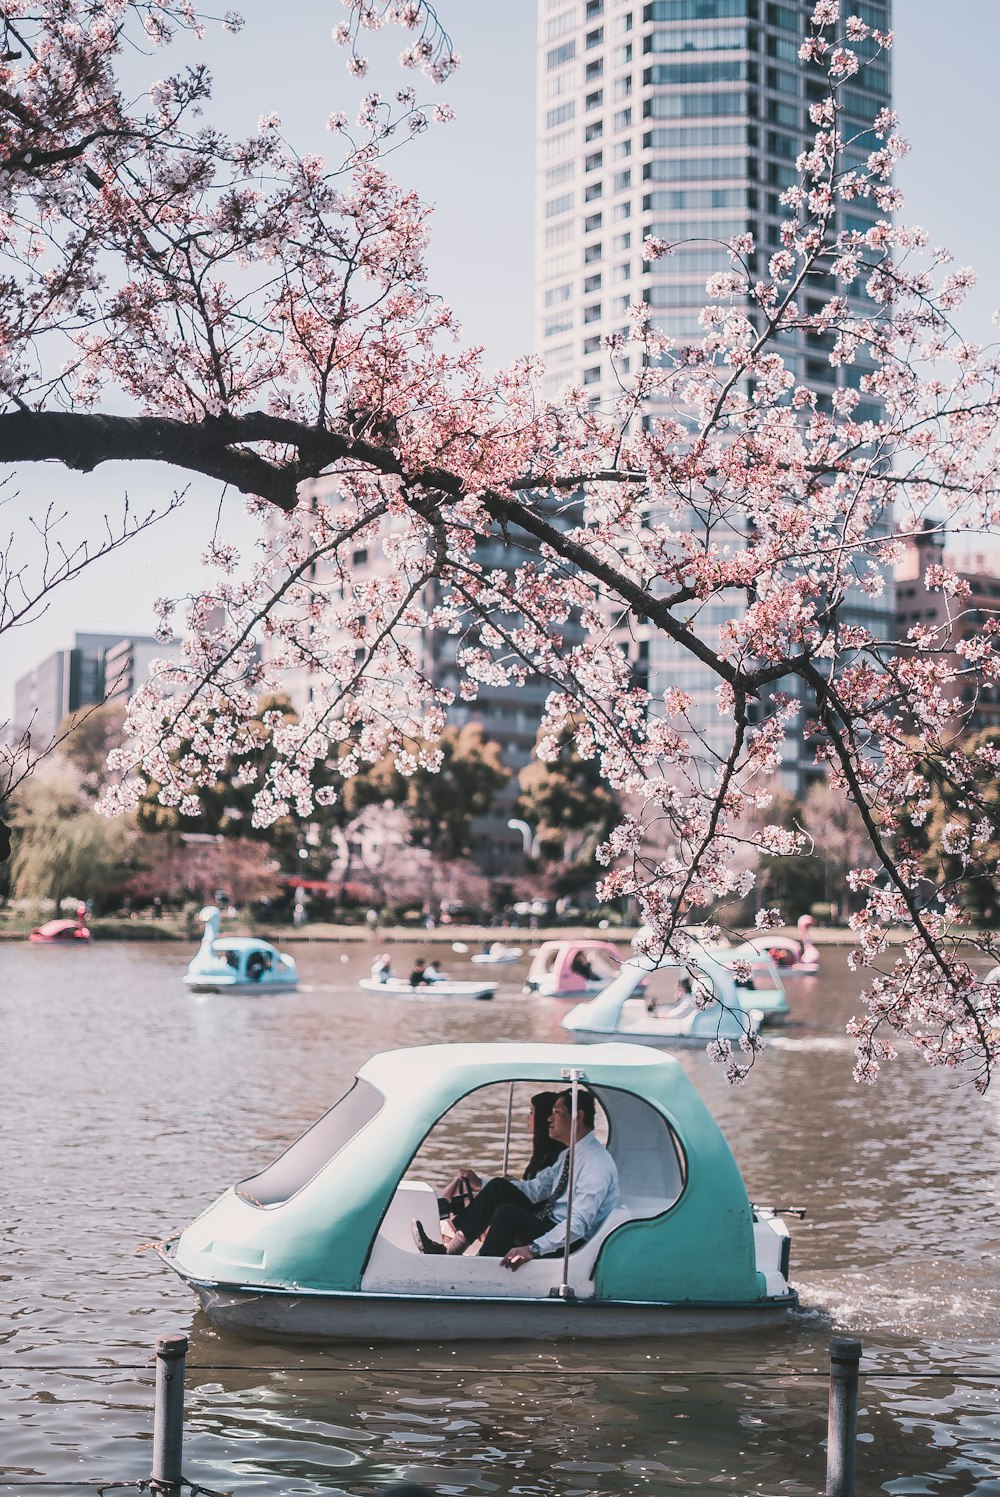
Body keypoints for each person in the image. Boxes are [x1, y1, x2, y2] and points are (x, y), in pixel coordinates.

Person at [412, 1089, 618, 1271]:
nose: (549, 1119)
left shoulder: (596, 1164)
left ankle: (478, 1271)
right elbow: (535, 1189)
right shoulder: (570, 1155)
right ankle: (451, 1249)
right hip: (550, 1224)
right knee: (498, 1187)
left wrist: (533, 1248)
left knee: (507, 1214)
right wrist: (481, 1184)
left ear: (578, 1117)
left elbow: (578, 1225)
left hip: (572, 1242)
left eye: (557, 1113)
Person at [523, 1091, 566, 1179]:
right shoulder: (543, 1149)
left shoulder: (560, 1154)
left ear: (541, 1116)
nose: (527, 1117)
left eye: (531, 1112)